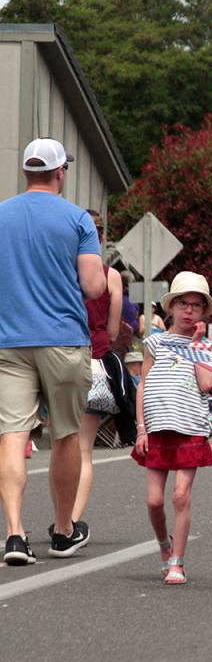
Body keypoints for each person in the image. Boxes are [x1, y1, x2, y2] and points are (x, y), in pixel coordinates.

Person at [0, 138, 105, 566]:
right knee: (65, 435)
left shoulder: (2, 215)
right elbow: (93, 286)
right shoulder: (78, 219)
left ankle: (14, 534)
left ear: (27, 172)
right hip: (62, 339)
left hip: (9, 341)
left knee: (12, 435)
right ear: (61, 172)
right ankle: (63, 531)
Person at [131, 272, 212, 585]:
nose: (189, 310)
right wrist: (141, 429)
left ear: (203, 312)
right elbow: (143, 385)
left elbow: (206, 385)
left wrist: (196, 346)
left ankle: (177, 562)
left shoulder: (207, 347)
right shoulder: (154, 342)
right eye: (183, 303)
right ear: (172, 307)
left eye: (197, 305)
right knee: (154, 500)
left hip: (191, 426)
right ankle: (164, 546)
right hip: (156, 428)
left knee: (181, 496)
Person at [70, 210, 126, 532]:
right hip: (96, 356)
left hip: (61, 354)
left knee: (63, 442)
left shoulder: (64, 273)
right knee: (84, 450)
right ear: (101, 238)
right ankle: (73, 518)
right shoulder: (111, 276)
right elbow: (114, 329)